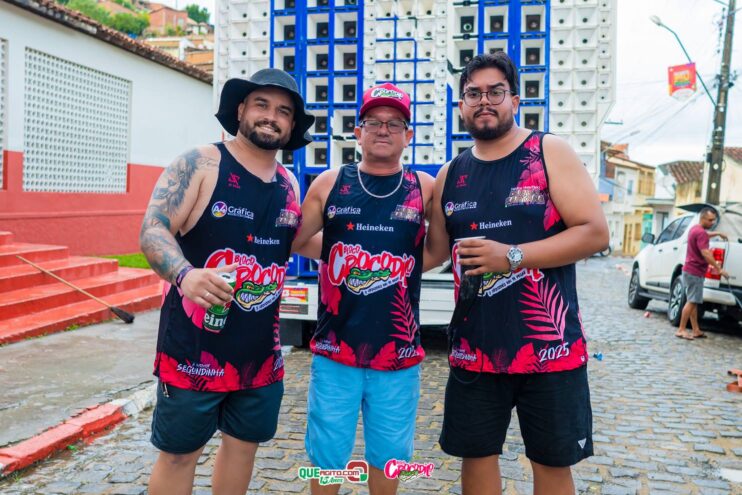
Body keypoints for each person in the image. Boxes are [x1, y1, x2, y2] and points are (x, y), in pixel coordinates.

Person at [424, 52, 610, 495]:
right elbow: (432, 252)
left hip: (550, 348)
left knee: (551, 463)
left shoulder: (548, 151)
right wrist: (335, 247)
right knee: (476, 457)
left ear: (515, 99)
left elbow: (594, 232)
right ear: (461, 105)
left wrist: (512, 256)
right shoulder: (451, 173)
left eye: (495, 91)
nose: (484, 101)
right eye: (473, 93)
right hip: (474, 348)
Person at [139, 68, 314, 495]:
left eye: (283, 111)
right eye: (261, 105)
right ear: (239, 110)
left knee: (243, 448)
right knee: (179, 454)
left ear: (292, 124)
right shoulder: (201, 163)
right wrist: (185, 275)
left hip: (260, 354)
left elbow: (302, 242)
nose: (271, 116)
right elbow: (153, 229)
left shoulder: (289, 184)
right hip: (193, 350)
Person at [292, 83, 434, 495]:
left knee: (389, 458)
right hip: (336, 349)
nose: (383, 130)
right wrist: (341, 259)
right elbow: (298, 240)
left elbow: (437, 249)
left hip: (398, 353)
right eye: (373, 122)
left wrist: (396, 269)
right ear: (358, 131)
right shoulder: (329, 183)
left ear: (408, 135)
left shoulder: (424, 187)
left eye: (395, 123)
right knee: (327, 457)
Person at [675, 207, 728, 340]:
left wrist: (717, 233)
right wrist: (719, 268)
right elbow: (706, 253)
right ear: (702, 218)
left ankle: (696, 330)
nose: (712, 222)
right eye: (710, 220)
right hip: (695, 272)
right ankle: (681, 329)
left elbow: (705, 235)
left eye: (713, 220)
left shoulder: (695, 229)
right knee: (692, 301)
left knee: (693, 301)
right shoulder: (701, 233)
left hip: (689, 270)